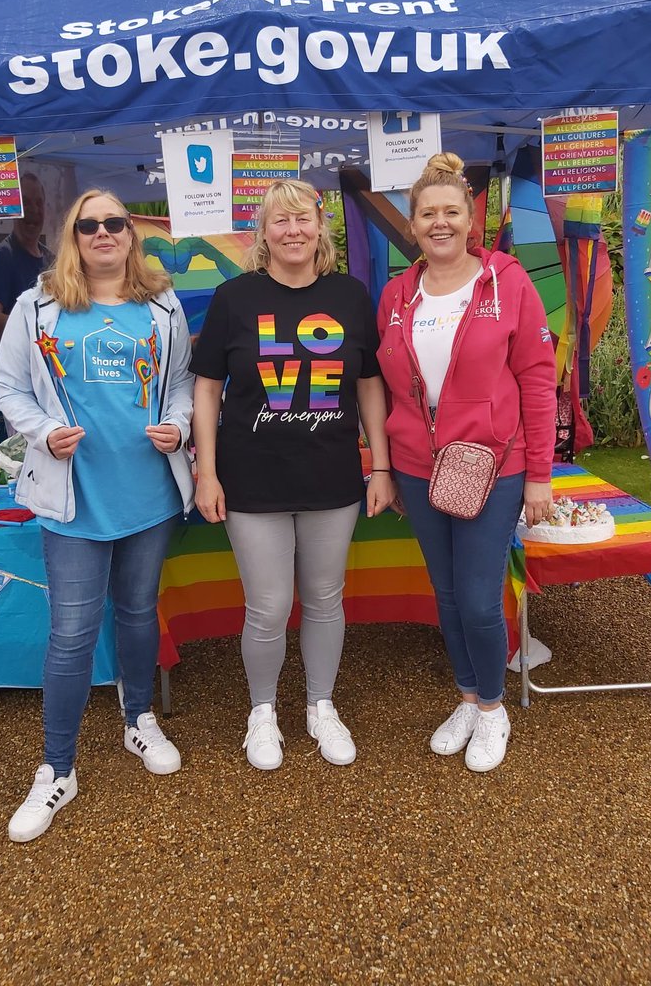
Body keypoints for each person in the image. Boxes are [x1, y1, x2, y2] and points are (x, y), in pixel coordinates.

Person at [0, 189, 194, 842]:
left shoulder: (162, 306)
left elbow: (185, 385)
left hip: (149, 496)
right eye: (90, 225)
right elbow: (11, 387)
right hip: (74, 498)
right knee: (73, 634)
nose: (104, 232)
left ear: (132, 234)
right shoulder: (39, 306)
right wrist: (45, 430)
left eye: (116, 222)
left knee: (138, 612)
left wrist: (177, 423)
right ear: (73, 237)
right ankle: (57, 767)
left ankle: (138, 719)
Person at [191, 179, 395, 771]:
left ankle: (320, 705)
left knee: (327, 599)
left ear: (320, 225)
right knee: (269, 605)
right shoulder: (233, 299)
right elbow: (205, 389)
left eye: (302, 219)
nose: (293, 231)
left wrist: (379, 465)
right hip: (251, 478)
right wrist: (207, 471)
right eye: (280, 221)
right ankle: (262, 712)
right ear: (263, 232)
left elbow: (369, 385)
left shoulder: (352, 296)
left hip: (331, 476)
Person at [376, 152, 556, 773]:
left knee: (479, 599)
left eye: (452, 211)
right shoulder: (397, 294)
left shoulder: (507, 281)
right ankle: (466, 695)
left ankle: (492, 710)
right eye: (429, 213)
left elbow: (537, 379)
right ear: (413, 223)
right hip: (419, 468)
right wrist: (385, 462)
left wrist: (539, 474)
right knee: (447, 595)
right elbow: (390, 384)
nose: (441, 222)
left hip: (494, 466)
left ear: (471, 217)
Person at [0, 173, 54, 344]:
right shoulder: (5, 255)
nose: (33, 210)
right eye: (25, 203)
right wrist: (39, 325)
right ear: (14, 209)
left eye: (38, 203)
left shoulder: (52, 260)